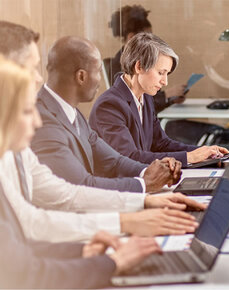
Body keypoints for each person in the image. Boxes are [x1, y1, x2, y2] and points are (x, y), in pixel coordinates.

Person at [0, 52, 159, 288]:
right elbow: (24, 275)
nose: (36, 122)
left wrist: (81, 252)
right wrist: (113, 263)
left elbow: (15, 250)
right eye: (26, 112)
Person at [0, 21, 201, 242]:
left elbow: (66, 195)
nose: (39, 77)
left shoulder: (71, 115)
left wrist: (145, 196)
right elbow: (69, 195)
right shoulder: (39, 125)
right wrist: (134, 209)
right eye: (31, 68)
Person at [32, 36, 181, 193]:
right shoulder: (42, 121)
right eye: (97, 72)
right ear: (81, 76)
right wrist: (145, 184)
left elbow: (115, 161)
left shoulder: (72, 113)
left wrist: (153, 171)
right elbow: (81, 185)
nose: (99, 81)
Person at [90, 33, 229, 165]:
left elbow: (161, 144)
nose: (165, 82)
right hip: (122, 186)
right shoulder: (109, 105)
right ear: (139, 67)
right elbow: (129, 158)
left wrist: (202, 152)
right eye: (160, 73)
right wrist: (189, 157)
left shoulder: (145, 98)